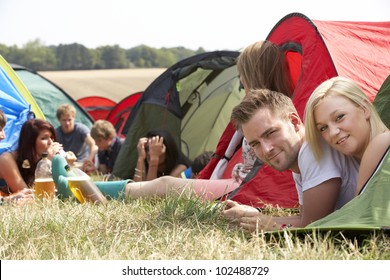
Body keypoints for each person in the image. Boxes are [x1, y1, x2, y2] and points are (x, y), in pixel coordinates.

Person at [222, 88, 360, 231]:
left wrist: (270, 225)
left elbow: (312, 228)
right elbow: (304, 219)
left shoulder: (312, 150)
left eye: (270, 133)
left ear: (294, 122)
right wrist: (251, 216)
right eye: (255, 144)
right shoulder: (300, 159)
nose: (266, 149)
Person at [304, 76, 389, 195]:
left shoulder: (381, 143)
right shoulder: (347, 164)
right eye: (323, 128)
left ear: (364, 109)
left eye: (339, 117)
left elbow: (361, 212)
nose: (333, 132)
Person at [0, 118, 65, 202]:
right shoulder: (6, 159)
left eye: (52, 138)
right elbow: (28, 194)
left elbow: (62, 189)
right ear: (30, 141)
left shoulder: (40, 159)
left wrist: (65, 164)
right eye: (44, 138)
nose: (50, 142)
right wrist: (47, 161)